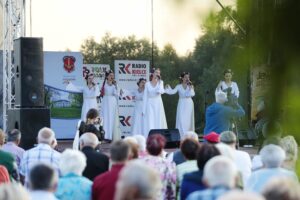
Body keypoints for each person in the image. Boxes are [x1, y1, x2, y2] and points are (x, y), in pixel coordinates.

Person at [141, 134, 176, 199]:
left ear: (147, 148)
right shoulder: (169, 165)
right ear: (161, 149)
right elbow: (172, 189)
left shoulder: (138, 164)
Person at [165, 72, 195, 138]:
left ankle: (188, 136)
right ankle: (181, 136)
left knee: (188, 120)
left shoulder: (190, 86)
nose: (187, 78)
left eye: (188, 77)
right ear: (182, 78)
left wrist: (190, 88)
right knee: (181, 120)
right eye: (186, 77)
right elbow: (172, 92)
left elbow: (192, 94)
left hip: (189, 104)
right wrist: (168, 88)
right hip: (182, 103)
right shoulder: (179, 86)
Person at [142, 68, 167, 137]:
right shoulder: (147, 84)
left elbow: (160, 91)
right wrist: (143, 110)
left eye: (159, 73)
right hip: (150, 104)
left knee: (158, 120)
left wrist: (159, 82)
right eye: (156, 72)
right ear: (152, 74)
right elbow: (145, 97)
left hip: (158, 103)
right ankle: (150, 137)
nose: (158, 74)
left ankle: (158, 137)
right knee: (150, 120)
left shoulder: (161, 82)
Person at [100, 70, 121, 141]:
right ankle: (105, 135)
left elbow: (117, 94)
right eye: (110, 75)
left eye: (113, 75)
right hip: (106, 102)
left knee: (112, 118)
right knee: (105, 118)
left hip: (113, 102)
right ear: (107, 77)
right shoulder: (103, 84)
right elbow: (100, 92)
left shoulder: (115, 85)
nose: (112, 77)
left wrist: (115, 86)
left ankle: (112, 136)